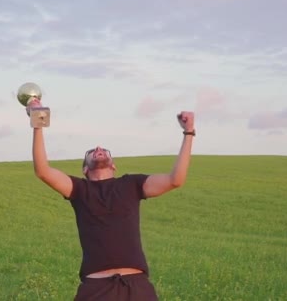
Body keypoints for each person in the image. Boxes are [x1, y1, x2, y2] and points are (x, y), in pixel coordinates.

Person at [26, 98, 195, 301]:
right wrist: (38, 120)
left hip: (137, 287)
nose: (98, 148)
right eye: (91, 152)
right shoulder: (79, 189)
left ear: (113, 165)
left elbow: (175, 180)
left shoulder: (132, 184)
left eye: (104, 150)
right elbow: (43, 170)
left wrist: (189, 132)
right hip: (96, 289)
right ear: (85, 169)